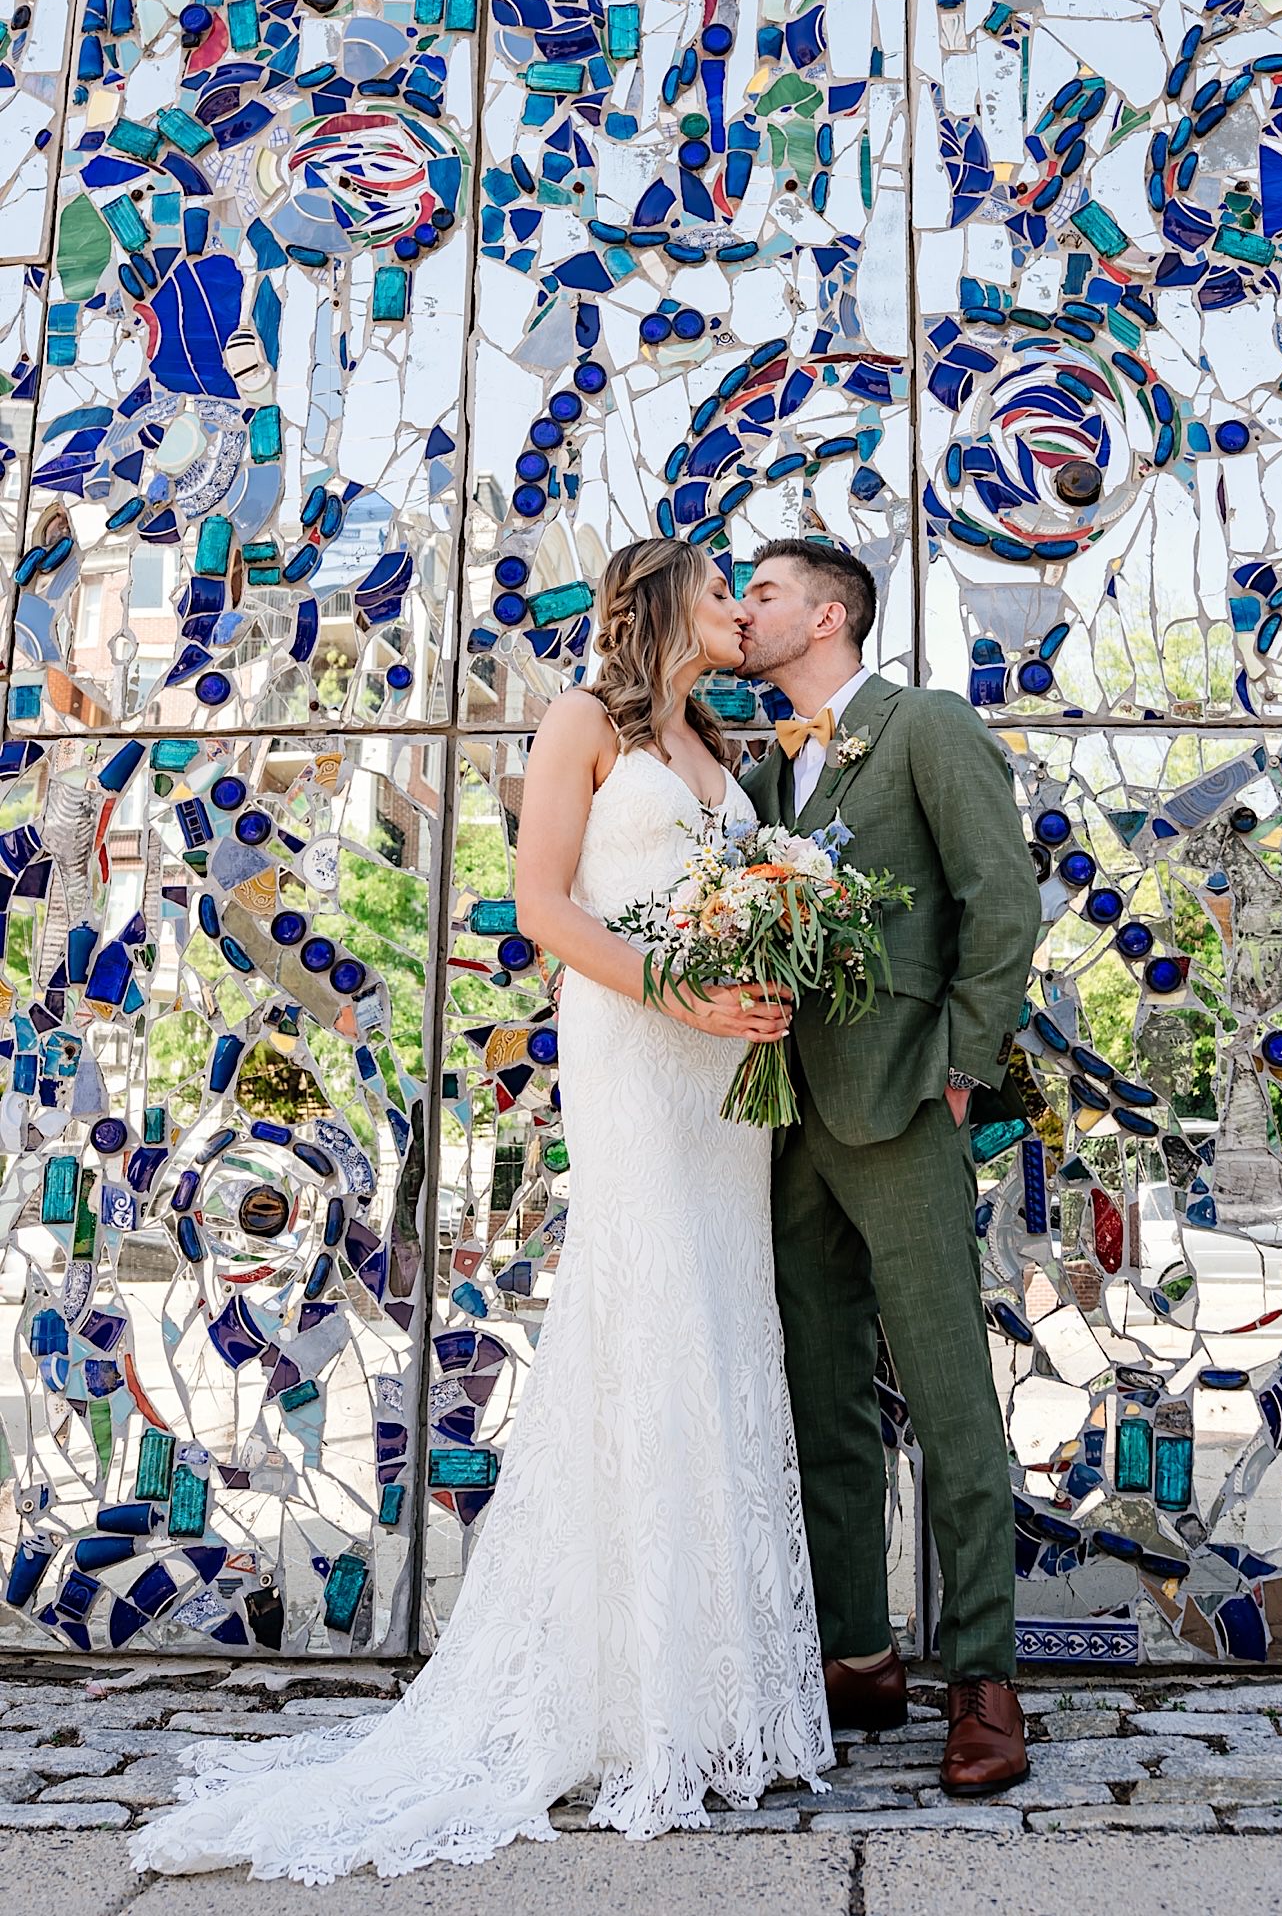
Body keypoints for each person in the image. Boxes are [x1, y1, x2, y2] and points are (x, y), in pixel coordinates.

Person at [128, 538, 833, 1886]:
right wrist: (680, 992)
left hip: (720, 1080)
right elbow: (543, 907)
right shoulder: (583, 722)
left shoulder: (717, 746)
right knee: (647, 1321)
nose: (741, 610)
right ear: (662, 601)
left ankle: (706, 1690)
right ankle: (619, 1696)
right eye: (721, 589)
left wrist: (759, 979)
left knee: (717, 1332)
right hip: (637, 1050)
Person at [739, 537, 1040, 1796]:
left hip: (905, 1100)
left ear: (828, 615)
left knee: (951, 1397)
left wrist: (962, 1069)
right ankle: (858, 1658)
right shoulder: (761, 772)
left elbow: (1001, 896)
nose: (743, 611)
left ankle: (983, 1680)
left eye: (762, 593)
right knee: (825, 1401)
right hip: (785, 1121)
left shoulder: (926, 726)